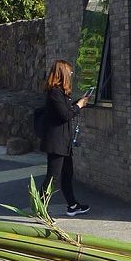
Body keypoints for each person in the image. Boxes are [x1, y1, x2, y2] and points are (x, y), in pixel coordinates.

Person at [40, 59, 90, 216]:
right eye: (70, 72)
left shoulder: (61, 93)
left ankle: (73, 205)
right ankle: (40, 208)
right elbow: (65, 114)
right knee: (52, 177)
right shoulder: (54, 93)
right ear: (62, 74)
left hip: (64, 142)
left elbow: (65, 109)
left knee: (67, 174)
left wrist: (77, 102)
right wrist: (79, 106)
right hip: (57, 142)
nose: (71, 75)